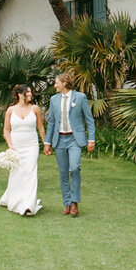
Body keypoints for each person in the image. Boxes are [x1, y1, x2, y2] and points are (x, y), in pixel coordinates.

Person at [43, 73, 95, 217]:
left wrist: (92, 139)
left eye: (56, 83)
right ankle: (66, 203)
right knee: (63, 172)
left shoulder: (80, 97)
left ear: (65, 83)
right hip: (59, 140)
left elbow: (89, 120)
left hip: (74, 139)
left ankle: (75, 202)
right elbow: (52, 122)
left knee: (74, 168)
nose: (55, 86)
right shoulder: (54, 100)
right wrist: (47, 143)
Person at [0, 85, 45, 216]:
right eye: (28, 92)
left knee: (30, 172)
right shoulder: (10, 110)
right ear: (20, 94)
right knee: (17, 173)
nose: (30, 94)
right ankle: (15, 200)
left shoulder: (35, 109)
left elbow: (41, 128)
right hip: (16, 146)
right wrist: (10, 146)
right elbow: (6, 130)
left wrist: (46, 144)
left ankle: (29, 205)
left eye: (30, 92)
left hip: (32, 146)